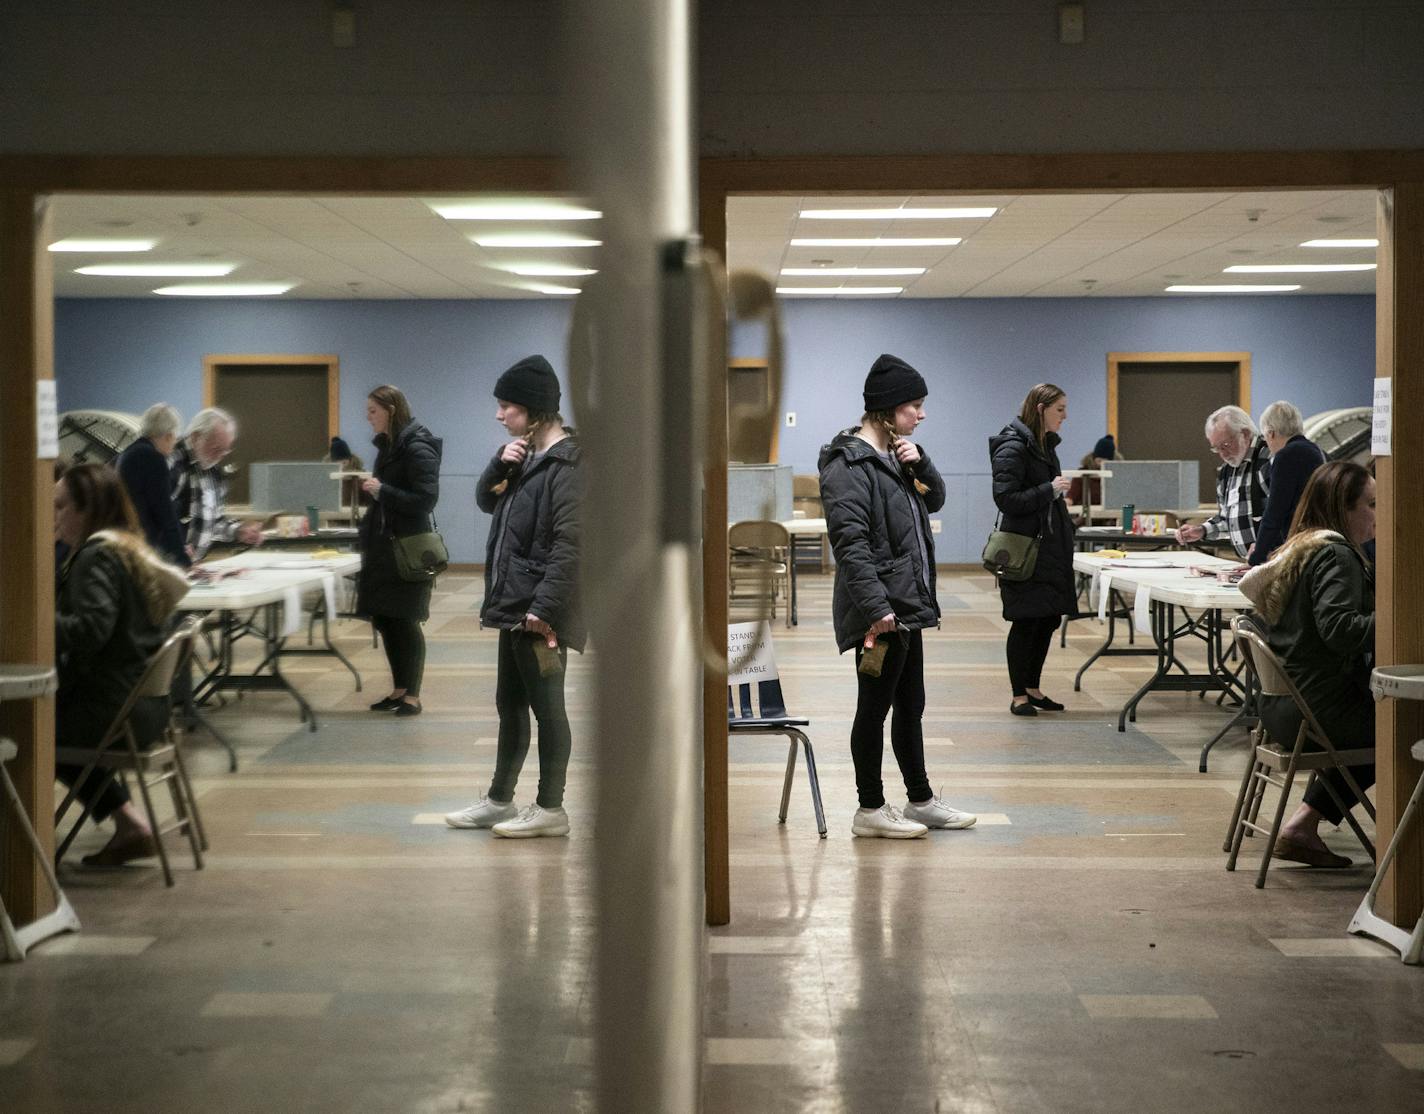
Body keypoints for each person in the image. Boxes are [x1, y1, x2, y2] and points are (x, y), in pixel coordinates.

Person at [818, 353, 976, 839]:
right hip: (882, 613)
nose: (921, 415)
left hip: (907, 605)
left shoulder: (895, 455)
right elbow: (850, 543)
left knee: (912, 705)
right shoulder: (849, 464)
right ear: (885, 410)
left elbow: (936, 499)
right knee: (875, 706)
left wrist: (921, 460)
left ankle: (921, 800)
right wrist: (875, 608)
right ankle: (869, 808)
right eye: (913, 406)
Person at [446, 355, 584, 838]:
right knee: (510, 704)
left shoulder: (568, 466)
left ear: (536, 410)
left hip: (539, 613)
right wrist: (496, 464)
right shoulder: (526, 457)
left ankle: (551, 808)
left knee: (549, 709)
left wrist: (542, 610)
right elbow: (489, 502)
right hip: (514, 607)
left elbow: (572, 545)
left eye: (508, 407)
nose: (499, 415)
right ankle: (500, 800)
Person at [1238, 461, 1376, 868]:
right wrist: (1399, 618)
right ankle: (1404, 850)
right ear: (1343, 509)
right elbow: (1341, 629)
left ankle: (1302, 825)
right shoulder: (1338, 556)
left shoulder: (1302, 548)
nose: (1378, 513)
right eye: (1371, 503)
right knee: (1404, 725)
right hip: (1317, 714)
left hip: (1281, 711)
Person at [53, 464, 189, 867]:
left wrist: (34, 622)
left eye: (61, 507)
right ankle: (129, 823)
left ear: (87, 509)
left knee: (26, 728)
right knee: (50, 725)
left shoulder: (95, 557)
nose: (54, 516)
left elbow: (92, 628)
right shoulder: (129, 547)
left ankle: (24, 846)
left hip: (113, 713)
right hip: (148, 710)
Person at [990, 384, 1077, 716]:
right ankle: (1018, 696)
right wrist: (1048, 489)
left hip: (1048, 550)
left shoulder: (1042, 445)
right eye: (1060, 409)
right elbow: (1006, 499)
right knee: (1026, 620)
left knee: (1047, 618)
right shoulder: (1013, 446)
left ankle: (1033, 687)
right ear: (1040, 408)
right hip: (1025, 551)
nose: (1065, 416)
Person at [356, 385, 442, 717]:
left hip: (407, 549)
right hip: (385, 548)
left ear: (391, 410)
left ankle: (413, 696)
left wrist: (382, 490)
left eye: (373, 411)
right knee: (386, 618)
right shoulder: (391, 445)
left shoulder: (417, 446)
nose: (368, 417)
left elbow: (425, 499)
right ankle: (399, 689)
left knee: (405, 620)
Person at [1173, 405, 1270, 560]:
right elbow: (1226, 519)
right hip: (1250, 563)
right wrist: (1202, 531)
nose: (1223, 454)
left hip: (1276, 561)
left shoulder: (1268, 459)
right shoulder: (1226, 471)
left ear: (1245, 434)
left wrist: (1267, 543)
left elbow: (1286, 515)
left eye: (1225, 445)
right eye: (1216, 448)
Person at [169, 407, 263, 561]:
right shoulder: (172, 462)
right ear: (195, 437)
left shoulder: (214, 472)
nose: (220, 457)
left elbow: (214, 522)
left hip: (192, 567)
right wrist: (172, 545)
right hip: (163, 567)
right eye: (216, 449)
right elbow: (149, 517)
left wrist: (239, 531)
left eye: (225, 451)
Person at [1249, 400, 1326, 566]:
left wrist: (1257, 558)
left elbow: (1275, 512)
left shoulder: (1286, 456)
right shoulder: (1315, 450)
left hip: (1301, 543)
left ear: (1271, 433)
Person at [115, 402, 188, 565]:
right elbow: (164, 511)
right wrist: (182, 557)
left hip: (126, 539)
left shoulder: (128, 453)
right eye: (175, 437)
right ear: (169, 435)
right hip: (143, 545)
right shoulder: (153, 458)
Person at [1066, 433, 1115, 517]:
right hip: (1086, 519)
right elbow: (1072, 495)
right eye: (1099, 461)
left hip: (1110, 518)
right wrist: (1067, 501)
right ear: (1094, 458)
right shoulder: (1083, 474)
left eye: (1105, 462)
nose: (1101, 464)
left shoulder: (1115, 475)